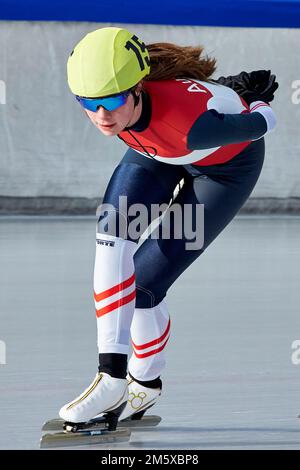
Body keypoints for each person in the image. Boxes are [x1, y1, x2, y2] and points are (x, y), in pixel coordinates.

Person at [58, 27, 278, 429]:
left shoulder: (190, 127)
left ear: (138, 88)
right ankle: (110, 376)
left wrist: (254, 101)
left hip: (224, 171)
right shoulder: (127, 103)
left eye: (110, 101)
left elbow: (266, 122)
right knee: (111, 235)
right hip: (160, 150)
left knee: (143, 286)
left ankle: (144, 381)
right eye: (87, 103)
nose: (101, 116)